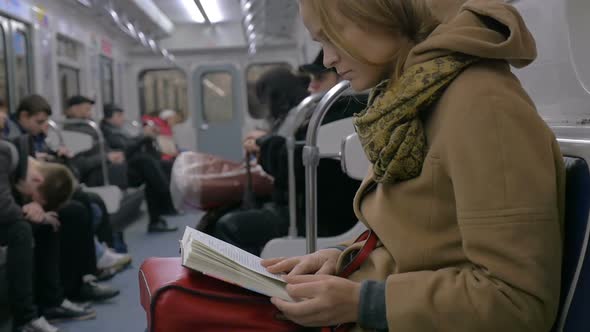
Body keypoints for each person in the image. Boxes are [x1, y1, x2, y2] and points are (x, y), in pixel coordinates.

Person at [260, 0, 564, 331]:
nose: (328, 59)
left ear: (379, 10)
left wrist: (364, 303)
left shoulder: (483, 107)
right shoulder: (413, 98)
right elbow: (425, 242)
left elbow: (516, 302)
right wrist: (341, 258)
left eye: (331, 36)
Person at [213, 67, 363, 255]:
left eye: (319, 77)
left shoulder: (337, 114)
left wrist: (264, 144)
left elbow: (296, 166)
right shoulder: (321, 111)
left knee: (229, 225)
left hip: (318, 217)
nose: (311, 85)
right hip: (308, 206)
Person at [7, 95, 131, 280]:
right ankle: (87, 270)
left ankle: (99, 256)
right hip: (24, 194)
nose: (43, 127)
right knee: (75, 209)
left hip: (33, 189)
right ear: (24, 116)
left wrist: (53, 155)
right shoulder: (13, 143)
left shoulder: (36, 137)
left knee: (89, 200)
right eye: (39, 122)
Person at [0, 131, 95, 331]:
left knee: (48, 223)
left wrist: (38, 214)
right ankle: (25, 319)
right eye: (32, 196)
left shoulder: (18, 162)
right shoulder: (4, 154)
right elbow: (2, 206)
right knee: (21, 229)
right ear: (36, 180)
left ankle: (52, 300)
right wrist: (26, 212)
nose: (29, 199)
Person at [100, 103, 178, 233]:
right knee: (147, 164)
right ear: (109, 118)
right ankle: (164, 200)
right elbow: (125, 150)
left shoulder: (119, 129)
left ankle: (162, 209)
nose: (123, 119)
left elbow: (132, 144)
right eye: (119, 116)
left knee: (161, 166)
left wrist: (146, 138)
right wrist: (143, 137)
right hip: (118, 170)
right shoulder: (108, 132)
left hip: (129, 166)